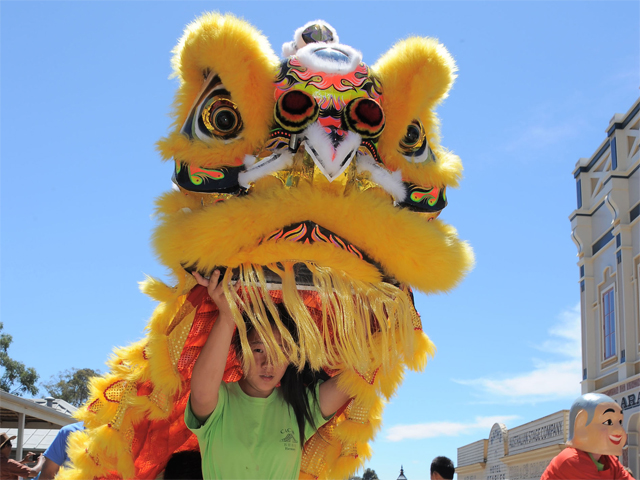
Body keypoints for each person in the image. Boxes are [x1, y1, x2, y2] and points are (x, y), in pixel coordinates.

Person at [185, 270, 351, 480]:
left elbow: (357, 378)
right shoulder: (219, 404)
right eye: (258, 350)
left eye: (280, 352)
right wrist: (227, 316)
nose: (269, 363)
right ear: (240, 353)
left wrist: (395, 316)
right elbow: (200, 393)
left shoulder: (300, 408)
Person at [541, 393, 635, 479]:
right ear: (582, 424)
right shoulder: (572, 459)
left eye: (620, 423)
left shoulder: (609, 460)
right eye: (608, 422)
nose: (619, 430)